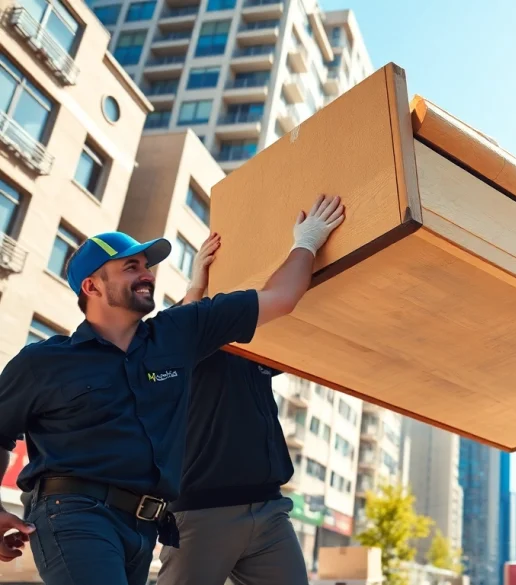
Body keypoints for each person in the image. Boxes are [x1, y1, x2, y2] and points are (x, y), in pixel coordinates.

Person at [0, 194, 346, 585]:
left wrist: (307, 241)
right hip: (70, 511)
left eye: (147, 266)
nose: (147, 273)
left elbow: (280, 299)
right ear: (92, 286)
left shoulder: (176, 335)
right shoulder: (43, 362)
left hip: (144, 524)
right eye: (131, 267)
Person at [156, 233, 307, 585]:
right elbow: (177, 326)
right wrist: (196, 286)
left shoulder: (257, 347)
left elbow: (286, 304)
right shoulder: (179, 338)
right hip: (201, 510)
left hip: (270, 510)